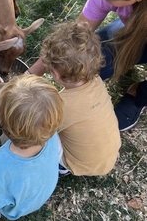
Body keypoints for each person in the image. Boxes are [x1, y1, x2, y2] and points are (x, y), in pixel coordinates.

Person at [27, 0, 147, 131]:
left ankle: (139, 95)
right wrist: (31, 74)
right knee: (83, 65)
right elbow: (76, 36)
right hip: (135, 29)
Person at [0, 75, 63, 221]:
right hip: (39, 195)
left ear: (0, 118)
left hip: (15, 209)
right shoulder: (49, 132)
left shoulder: (0, 164)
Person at [39, 21, 121, 176]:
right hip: (109, 155)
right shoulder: (96, 80)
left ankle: (62, 165)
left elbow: (39, 130)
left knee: (41, 128)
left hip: (81, 164)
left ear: (55, 73)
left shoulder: (60, 105)